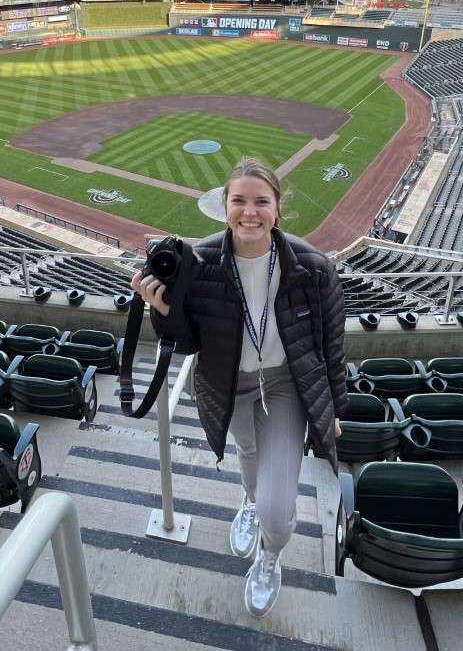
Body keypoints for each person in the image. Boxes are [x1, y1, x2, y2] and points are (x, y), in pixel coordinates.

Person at [131, 156, 347, 618]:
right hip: (229, 383)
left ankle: (270, 553)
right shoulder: (201, 261)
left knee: (277, 505)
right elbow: (188, 342)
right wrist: (160, 311)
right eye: (239, 201)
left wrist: (337, 411)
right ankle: (247, 502)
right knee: (249, 455)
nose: (250, 212)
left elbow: (333, 344)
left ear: (277, 208)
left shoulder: (313, 267)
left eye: (261, 202)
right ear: (224, 206)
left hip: (287, 386)